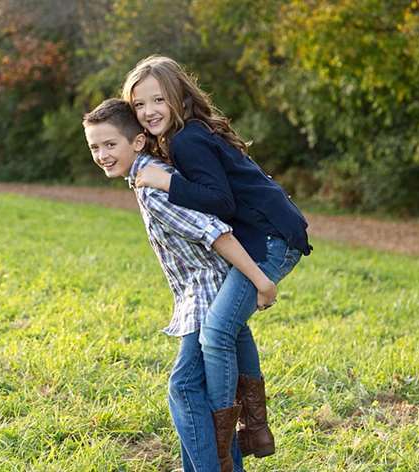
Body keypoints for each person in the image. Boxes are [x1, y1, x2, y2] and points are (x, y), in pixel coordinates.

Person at [121, 55, 312, 460]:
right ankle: (255, 430)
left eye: (158, 100)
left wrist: (166, 181)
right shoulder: (185, 135)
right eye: (139, 105)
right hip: (268, 232)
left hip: (270, 238)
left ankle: (224, 442)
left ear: (178, 96)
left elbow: (220, 204)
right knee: (231, 329)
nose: (149, 111)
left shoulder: (188, 138)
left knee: (217, 331)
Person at [83, 98, 278, 471]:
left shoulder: (153, 187)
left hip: (207, 296)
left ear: (137, 142)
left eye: (111, 144)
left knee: (184, 387)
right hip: (198, 295)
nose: (102, 154)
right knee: (195, 392)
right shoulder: (147, 176)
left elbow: (214, 233)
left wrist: (260, 280)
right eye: (95, 146)